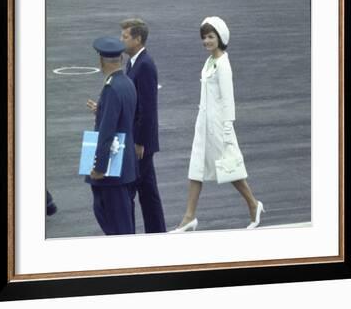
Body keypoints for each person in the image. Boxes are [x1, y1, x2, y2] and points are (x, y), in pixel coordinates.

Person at [171, 17, 264, 233]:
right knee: (196, 168)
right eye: (204, 37)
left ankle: (252, 203)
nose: (206, 41)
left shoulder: (223, 63)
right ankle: (189, 217)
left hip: (219, 126)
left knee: (229, 168)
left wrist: (226, 127)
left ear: (220, 38)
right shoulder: (209, 61)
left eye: (211, 37)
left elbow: (228, 98)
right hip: (203, 125)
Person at [85, 36, 138, 236]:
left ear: (101, 61)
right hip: (127, 167)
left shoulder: (110, 89)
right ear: (121, 59)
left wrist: (99, 168)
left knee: (115, 226)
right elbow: (125, 118)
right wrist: (102, 110)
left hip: (112, 172)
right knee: (125, 222)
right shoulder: (127, 83)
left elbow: (106, 134)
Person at [120, 18, 167, 234]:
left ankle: (148, 233)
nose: (122, 40)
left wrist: (139, 142)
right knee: (148, 192)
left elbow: (148, 109)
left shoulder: (145, 65)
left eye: (125, 36)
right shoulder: (132, 63)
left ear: (138, 39)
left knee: (135, 190)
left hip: (140, 144)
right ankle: (157, 233)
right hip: (138, 141)